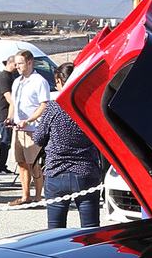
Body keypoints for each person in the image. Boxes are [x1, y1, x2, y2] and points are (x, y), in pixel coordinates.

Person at [25, 95, 107, 229]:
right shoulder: (89, 105)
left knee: (55, 231)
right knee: (91, 230)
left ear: (59, 81)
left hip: (56, 171)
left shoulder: (53, 107)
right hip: (86, 171)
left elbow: (39, 138)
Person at [6, 51, 51, 206]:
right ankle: (25, 196)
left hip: (33, 129)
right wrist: (10, 118)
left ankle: (38, 198)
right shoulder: (17, 81)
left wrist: (29, 119)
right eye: (16, 63)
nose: (17, 66)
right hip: (18, 128)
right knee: (21, 162)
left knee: (34, 163)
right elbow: (13, 103)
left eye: (20, 63)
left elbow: (44, 104)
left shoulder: (39, 81)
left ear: (30, 63)